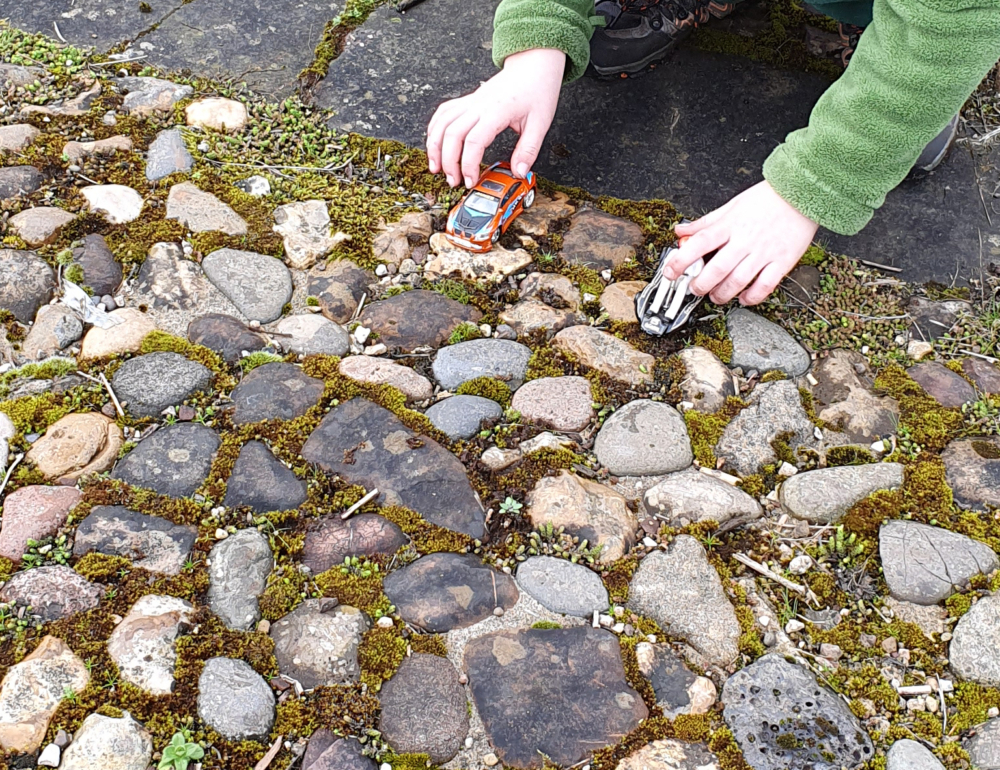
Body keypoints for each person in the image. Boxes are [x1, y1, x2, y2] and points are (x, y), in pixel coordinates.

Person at [425, 0, 1000, 307]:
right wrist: (538, 39)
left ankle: (885, 44)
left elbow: (954, 20)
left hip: (933, 18)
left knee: (909, 94)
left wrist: (819, 180)